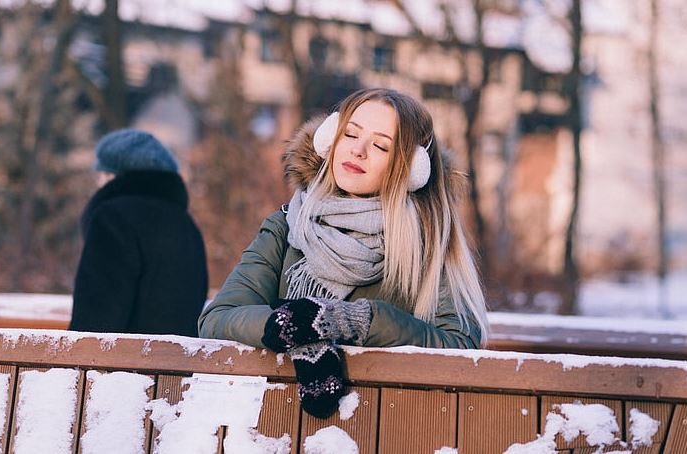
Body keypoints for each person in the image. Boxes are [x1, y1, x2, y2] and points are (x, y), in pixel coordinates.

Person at [198, 88, 488, 418]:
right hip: (273, 425)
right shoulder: (287, 226)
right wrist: (295, 327)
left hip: (386, 427)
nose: (358, 150)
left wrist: (359, 322)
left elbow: (460, 346)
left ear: (410, 170)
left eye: (380, 145)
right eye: (349, 133)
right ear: (329, 140)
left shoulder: (430, 243)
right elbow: (218, 318)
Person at [70, 129, 208, 337]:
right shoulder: (186, 224)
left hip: (122, 367)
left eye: (100, 174)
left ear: (112, 176)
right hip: (180, 364)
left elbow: (95, 318)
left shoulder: (112, 218)